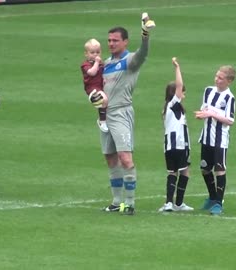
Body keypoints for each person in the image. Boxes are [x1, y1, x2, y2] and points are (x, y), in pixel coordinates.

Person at [100, 13, 155, 215]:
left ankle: (130, 203)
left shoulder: (130, 60)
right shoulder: (105, 63)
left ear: (125, 42)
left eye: (115, 40)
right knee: (110, 158)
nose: (111, 43)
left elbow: (143, 53)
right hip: (104, 115)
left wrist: (145, 35)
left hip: (121, 113)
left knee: (126, 158)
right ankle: (116, 201)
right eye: (109, 40)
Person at [194, 65, 236, 215]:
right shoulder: (208, 91)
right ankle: (212, 197)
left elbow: (230, 120)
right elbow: (205, 109)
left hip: (220, 140)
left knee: (219, 170)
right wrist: (202, 114)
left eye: (220, 78)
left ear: (229, 81)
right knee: (205, 169)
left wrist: (211, 114)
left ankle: (219, 203)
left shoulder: (229, 98)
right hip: (206, 137)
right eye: (216, 76)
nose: (216, 80)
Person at [158, 57, 193, 212]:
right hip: (179, 144)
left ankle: (168, 203)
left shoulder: (167, 108)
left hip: (169, 146)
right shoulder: (173, 105)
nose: (183, 94)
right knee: (184, 171)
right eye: (182, 92)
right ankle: (178, 203)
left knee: (172, 173)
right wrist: (177, 67)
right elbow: (179, 86)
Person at [80, 38, 108, 132]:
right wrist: (96, 62)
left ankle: (106, 117)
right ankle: (102, 121)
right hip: (92, 88)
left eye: (98, 52)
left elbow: (103, 72)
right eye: (92, 52)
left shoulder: (101, 63)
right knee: (104, 99)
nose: (96, 54)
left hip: (101, 86)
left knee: (108, 100)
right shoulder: (85, 65)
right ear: (86, 54)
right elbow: (92, 73)